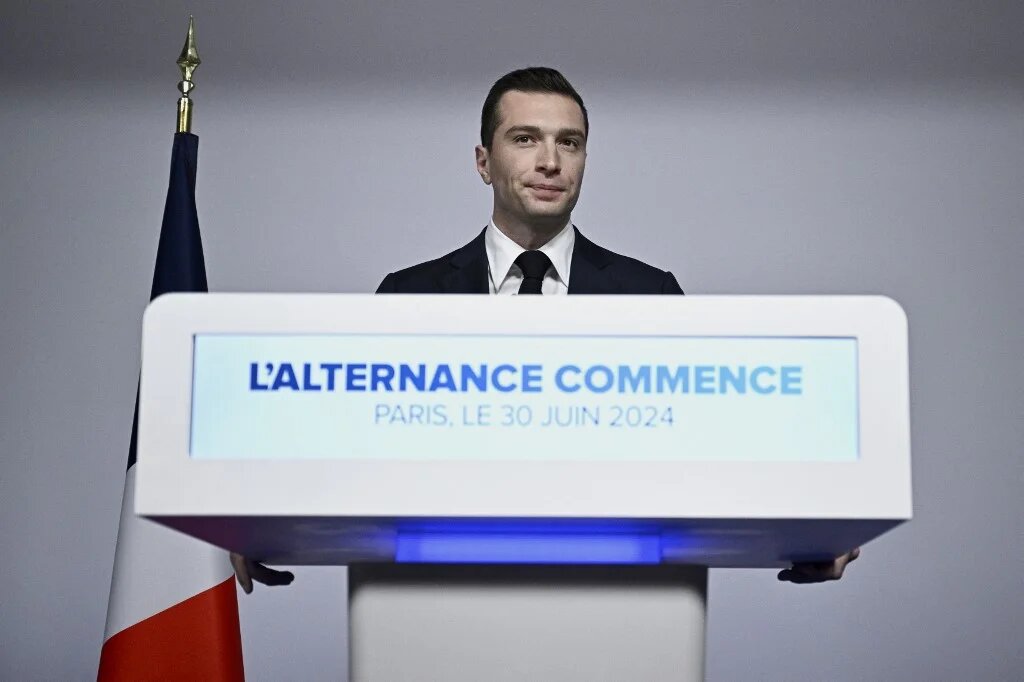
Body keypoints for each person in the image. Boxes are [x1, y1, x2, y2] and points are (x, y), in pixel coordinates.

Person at [232, 66, 859, 592]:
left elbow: (712, 453)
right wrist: (269, 522)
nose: (551, 161)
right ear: (484, 160)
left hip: (623, 609)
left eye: (571, 142)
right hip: (435, 606)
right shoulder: (407, 295)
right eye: (526, 138)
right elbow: (353, 453)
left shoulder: (651, 295)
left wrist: (809, 532)